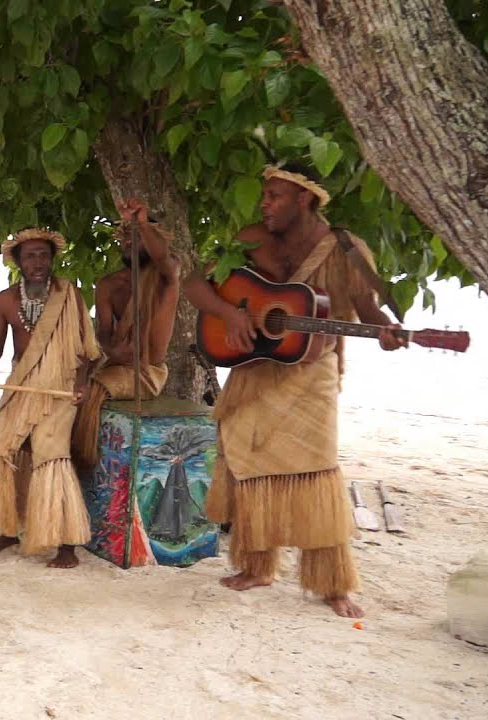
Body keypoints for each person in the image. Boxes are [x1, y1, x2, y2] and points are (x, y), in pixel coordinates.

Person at [183, 162, 407, 618]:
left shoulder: (347, 249)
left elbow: (368, 312)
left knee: (315, 469)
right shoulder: (251, 237)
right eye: (265, 195)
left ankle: (331, 584)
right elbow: (194, 284)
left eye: (275, 196)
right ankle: (256, 566)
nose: (264, 204)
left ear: (305, 198)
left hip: (311, 373)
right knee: (249, 464)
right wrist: (230, 315)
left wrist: (388, 331)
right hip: (256, 366)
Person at [0, 229, 101, 568]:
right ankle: (8, 530)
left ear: (52, 259)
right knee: (4, 449)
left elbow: (87, 351)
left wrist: (81, 385)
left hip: (58, 389)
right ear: (17, 261)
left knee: (52, 454)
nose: (38, 263)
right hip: (21, 385)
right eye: (30, 256)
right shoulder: (5, 299)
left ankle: (66, 545)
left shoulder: (69, 294)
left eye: (43, 255)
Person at [70, 197, 181, 470]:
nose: (128, 242)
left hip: (148, 372)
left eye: (137, 237)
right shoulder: (108, 285)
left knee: (93, 390)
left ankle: (84, 459)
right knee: (68, 386)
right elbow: (104, 334)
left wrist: (142, 223)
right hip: (117, 366)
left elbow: (164, 258)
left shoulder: (167, 276)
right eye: (125, 238)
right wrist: (112, 350)